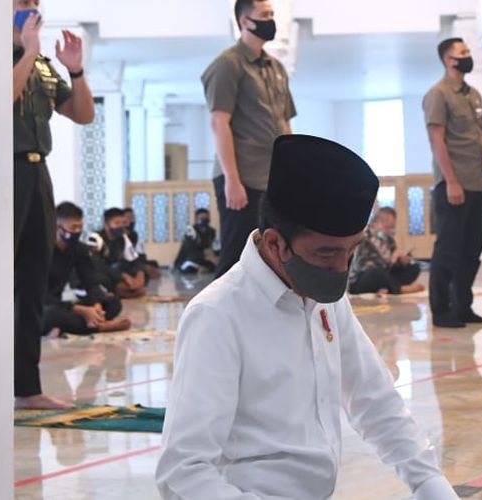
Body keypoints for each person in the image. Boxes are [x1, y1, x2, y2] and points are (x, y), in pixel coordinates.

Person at [156, 135, 458, 499]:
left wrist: (431, 486)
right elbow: (183, 473)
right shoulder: (218, 315)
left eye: (351, 251)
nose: (341, 267)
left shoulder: (324, 299)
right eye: (326, 253)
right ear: (275, 243)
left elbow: (375, 401)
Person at [13, 0, 95, 409]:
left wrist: (75, 70)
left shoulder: (44, 64)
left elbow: (82, 114)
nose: (30, 7)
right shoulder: (14, 57)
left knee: (32, 280)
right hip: (3, 170)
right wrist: (26, 51)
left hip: (37, 171)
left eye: (34, 2)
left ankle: (26, 388)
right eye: (20, 1)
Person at [202, 0, 297, 278]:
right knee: (235, 258)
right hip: (241, 178)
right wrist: (232, 179)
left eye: (272, 14)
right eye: (264, 15)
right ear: (244, 22)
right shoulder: (227, 64)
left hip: (271, 178)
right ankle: (215, 320)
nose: (271, 20)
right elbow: (219, 122)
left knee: (270, 256)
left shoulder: (276, 68)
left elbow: (284, 123)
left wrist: (290, 173)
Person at [423, 38, 482, 329]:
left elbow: (481, 138)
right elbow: (437, 140)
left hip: (477, 184)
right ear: (448, 59)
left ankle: (463, 305)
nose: (468, 57)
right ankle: (441, 310)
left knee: (472, 249)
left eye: (468, 52)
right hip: (453, 186)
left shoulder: (473, 95)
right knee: (448, 251)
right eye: (463, 53)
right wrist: (451, 181)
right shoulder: (438, 94)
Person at [42, 202, 131, 337]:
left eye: (80, 227)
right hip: (44, 305)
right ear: (57, 227)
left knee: (113, 303)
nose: (77, 231)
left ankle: (81, 324)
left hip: (63, 306)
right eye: (73, 227)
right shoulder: (42, 250)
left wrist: (96, 305)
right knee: (50, 314)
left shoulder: (79, 249)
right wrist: (80, 310)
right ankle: (99, 327)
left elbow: (91, 282)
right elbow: (39, 297)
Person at [348, 206, 425, 295]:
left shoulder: (389, 240)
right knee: (377, 273)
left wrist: (400, 261)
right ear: (376, 223)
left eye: (392, 228)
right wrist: (389, 260)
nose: (389, 231)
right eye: (387, 227)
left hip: (384, 274)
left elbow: (391, 265)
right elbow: (362, 266)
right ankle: (400, 289)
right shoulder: (364, 237)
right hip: (363, 278)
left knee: (414, 267)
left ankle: (387, 287)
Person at [90, 207, 146, 298]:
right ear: (106, 225)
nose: (121, 226)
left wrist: (140, 275)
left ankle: (122, 291)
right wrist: (123, 276)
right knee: (102, 278)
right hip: (99, 273)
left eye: (122, 223)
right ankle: (118, 291)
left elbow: (134, 259)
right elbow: (97, 265)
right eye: (117, 223)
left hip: (115, 273)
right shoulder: (94, 238)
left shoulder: (123, 238)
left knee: (137, 274)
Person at [173, 208, 218, 274]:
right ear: (196, 219)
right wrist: (207, 256)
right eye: (202, 218)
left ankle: (204, 269)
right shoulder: (191, 231)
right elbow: (190, 249)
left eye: (206, 218)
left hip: (206, 258)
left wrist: (215, 257)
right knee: (189, 266)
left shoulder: (212, 231)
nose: (204, 220)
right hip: (192, 257)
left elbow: (215, 246)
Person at [123, 206, 161, 280]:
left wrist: (145, 265)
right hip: (127, 262)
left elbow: (140, 254)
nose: (131, 220)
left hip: (136, 260)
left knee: (154, 264)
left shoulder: (134, 235)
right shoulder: (120, 235)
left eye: (132, 217)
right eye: (128, 217)